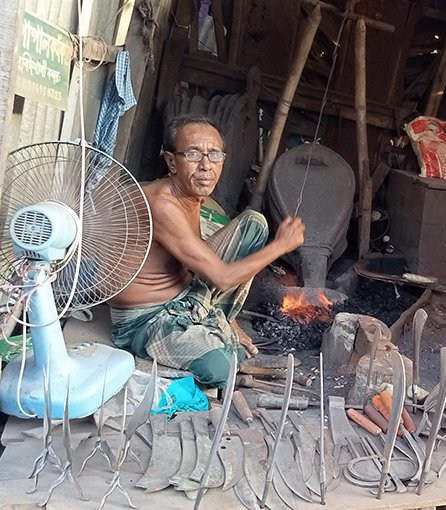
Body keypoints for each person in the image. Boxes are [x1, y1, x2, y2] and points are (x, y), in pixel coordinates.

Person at [109, 115, 305, 387]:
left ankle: (217, 320)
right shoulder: (161, 204)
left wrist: (228, 322)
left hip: (183, 296)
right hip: (146, 318)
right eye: (193, 154)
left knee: (253, 223)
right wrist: (280, 246)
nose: (206, 166)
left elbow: (193, 263)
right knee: (222, 366)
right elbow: (222, 278)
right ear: (171, 162)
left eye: (214, 155)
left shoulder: (190, 196)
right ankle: (204, 336)